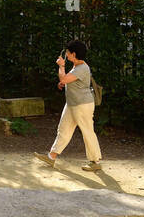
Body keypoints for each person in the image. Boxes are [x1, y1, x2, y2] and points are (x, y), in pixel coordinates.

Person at [35, 39, 102, 171]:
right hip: (73, 104)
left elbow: (64, 78)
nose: (66, 54)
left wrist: (61, 66)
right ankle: (51, 156)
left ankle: (95, 162)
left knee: (87, 131)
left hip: (82, 105)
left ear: (74, 54)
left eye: (68, 52)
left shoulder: (82, 68)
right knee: (63, 129)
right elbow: (68, 81)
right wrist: (63, 82)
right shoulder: (77, 66)